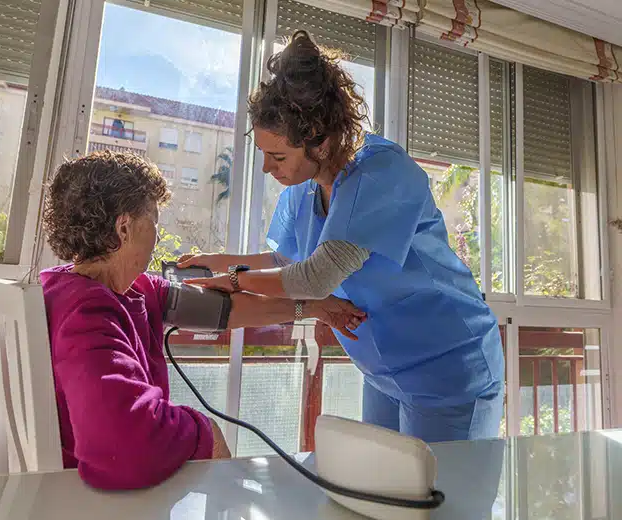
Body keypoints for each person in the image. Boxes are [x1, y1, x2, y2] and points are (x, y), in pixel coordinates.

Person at [179, 30, 505, 443]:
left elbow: (314, 279)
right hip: (382, 370)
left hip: (447, 366)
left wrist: (236, 280)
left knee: (446, 504)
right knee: (384, 495)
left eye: (277, 157)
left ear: (322, 140)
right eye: (263, 154)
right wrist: (219, 261)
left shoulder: (381, 173)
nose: (267, 169)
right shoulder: (306, 186)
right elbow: (286, 261)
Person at [39, 150, 366, 490]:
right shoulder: (86, 314)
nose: (157, 235)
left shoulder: (123, 288)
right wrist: (204, 432)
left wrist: (311, 308)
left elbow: (226, 310)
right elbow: (124, 446)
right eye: (152, 220)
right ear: (124, 228)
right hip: (92, 494)